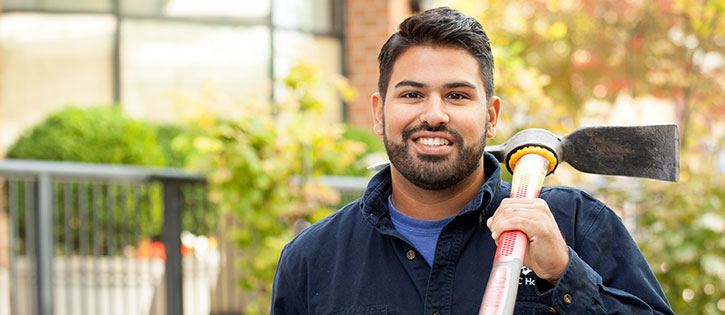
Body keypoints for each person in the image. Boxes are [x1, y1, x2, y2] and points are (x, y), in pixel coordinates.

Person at [271, 7, 674, 315]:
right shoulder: (312, 260)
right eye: (412, 94)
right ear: (378, 113)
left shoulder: (575, 225)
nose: (434, 114)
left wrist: (564, 274)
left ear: (492, 116)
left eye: (457, 95)